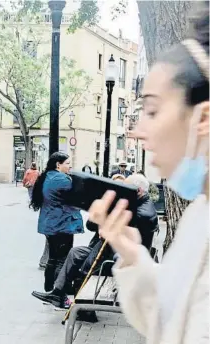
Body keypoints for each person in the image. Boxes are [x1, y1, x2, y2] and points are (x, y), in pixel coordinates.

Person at [88, 5, 209, 343]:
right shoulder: (198, 215)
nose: (138, 131)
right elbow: (172, 320)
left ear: (202, 118)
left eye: (152, 110)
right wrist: (131, 255)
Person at [32, 173, 159, 314]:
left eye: (126, 187)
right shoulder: (136, 204)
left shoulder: (143, 210)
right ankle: (58, 293)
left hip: (117, 257)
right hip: (106, 251)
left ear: (139, 190)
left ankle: (85, 310)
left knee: (85, 266)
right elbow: (91, 225)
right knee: (76, 253)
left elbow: (127, 234)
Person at [30, 152, 84, 292]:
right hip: (62, 223)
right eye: (67, 163)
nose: (70, 166)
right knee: (62, 259)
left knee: (53, 258)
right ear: (58, 165)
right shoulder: (62, 179)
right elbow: (78, 196)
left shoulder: (47, 176)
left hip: (51, 223)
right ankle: (58, 291)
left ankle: (49, 289)